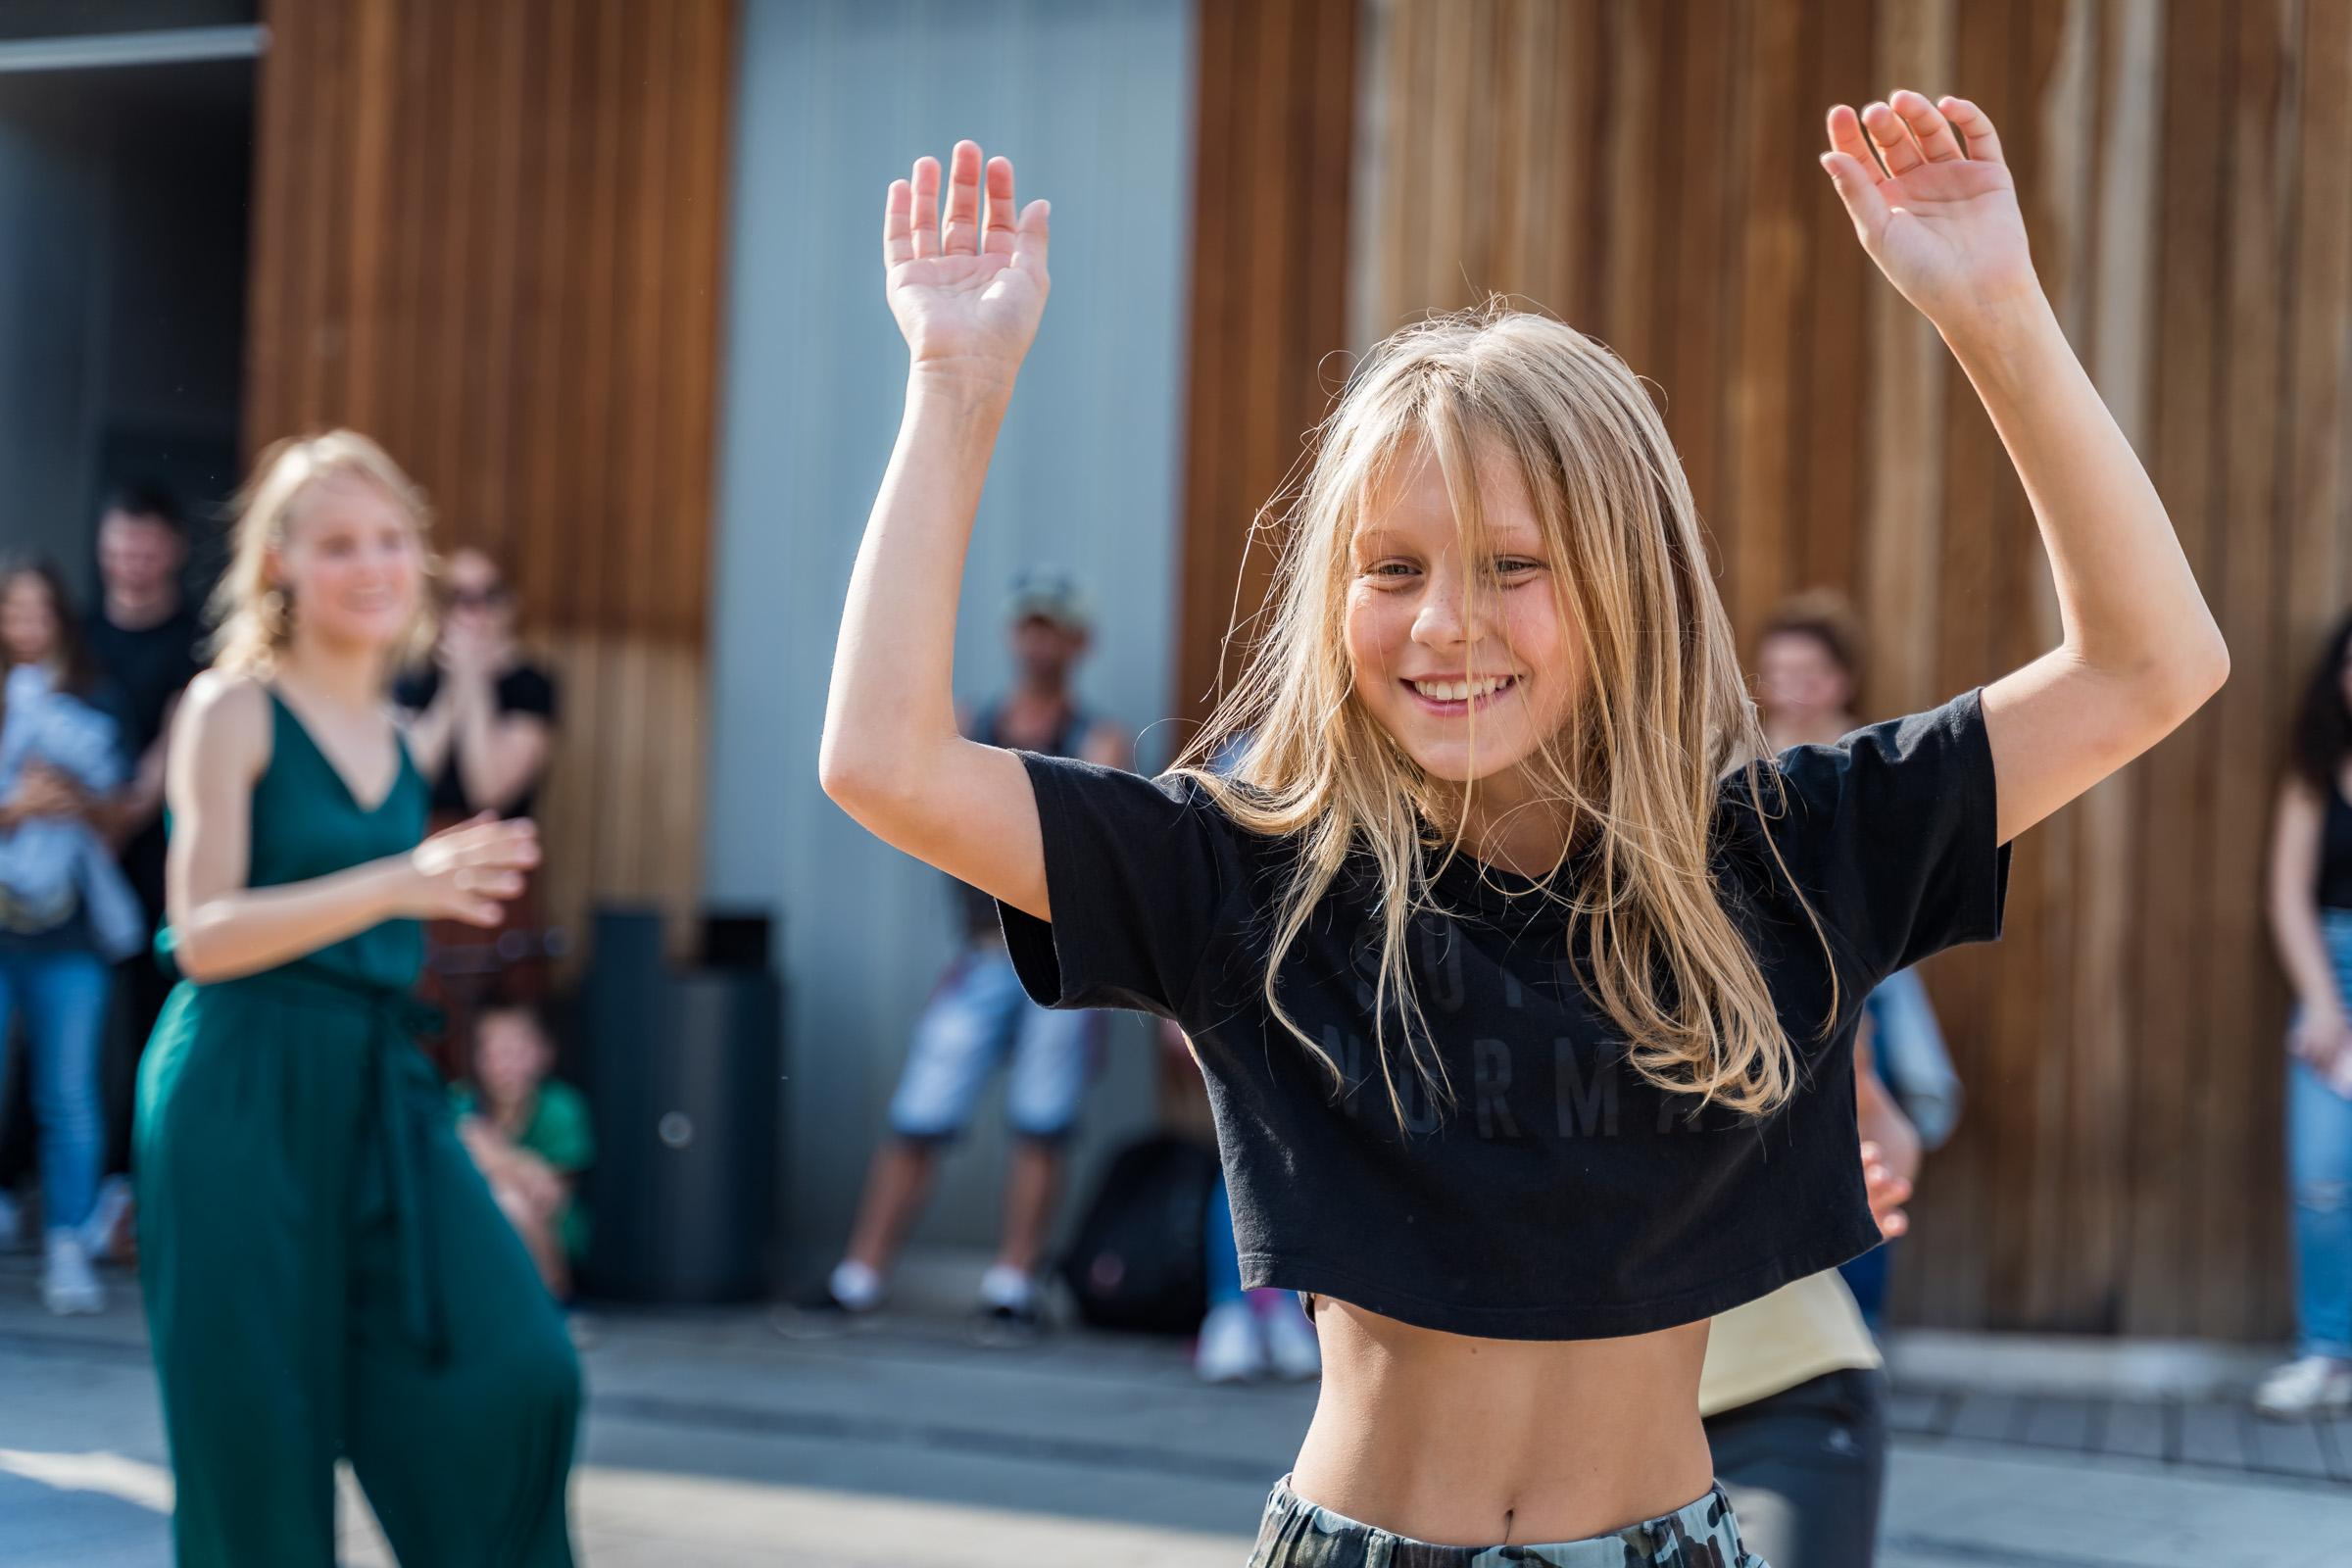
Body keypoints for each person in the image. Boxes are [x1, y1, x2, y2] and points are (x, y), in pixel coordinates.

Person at [822, 91, 2225, 1564]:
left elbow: (2151, 666)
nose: (1445, 624)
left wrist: (1997, 310)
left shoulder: (1782, 854)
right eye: (1392, 567)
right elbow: (886, 762)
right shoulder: (1254, 872)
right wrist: (956, 384)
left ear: (1629, 585)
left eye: (1512, 566)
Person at [133, 432, 578, 1564]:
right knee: (258, 1447)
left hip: (376, 1088)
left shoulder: (394, 730)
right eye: (338, 544)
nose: (373, 565)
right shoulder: (228, 709)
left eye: (391, 540)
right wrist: (400, 880)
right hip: (236, 1091)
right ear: (278, 560)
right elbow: (203, 935)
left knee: (517, 1367)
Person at [796, 570, 1127, 1343]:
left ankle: (1013, 1284)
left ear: (1078, 643)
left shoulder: (1096, 738)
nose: (1038, 640)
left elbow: (1095, 849)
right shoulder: (971, 721)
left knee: (1042, 1124)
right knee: (919, 1113)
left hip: (1061, 955)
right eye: (1029, 626)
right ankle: (860, 1276)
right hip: (982, 953)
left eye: (1053, 628)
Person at [1753, 590, 1965, 1329]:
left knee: (1872, 1142)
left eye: (1808, 672)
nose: (1792, 688)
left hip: (1866, 974)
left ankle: (1858, 1334)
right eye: (1777, 672)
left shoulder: (1873, 758)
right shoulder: (1736, 755)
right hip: (1765, 975)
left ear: (1841, 680)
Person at [1698, 1030, 1919, 1568]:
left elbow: (1872, 1112)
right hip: (1551, 1431)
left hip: (1777, 1395)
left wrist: (1865, 1179)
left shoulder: (1774, 948)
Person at [0, 561, 140, 1313]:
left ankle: (67, 1244)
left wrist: (76, 797)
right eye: (12, 609)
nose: (25, 624)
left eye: (38, 609)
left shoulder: (95, 700)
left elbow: (119, 818)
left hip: (70, 930)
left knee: (68, 1094)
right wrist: (16, 808)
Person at [81, 480, 208, 1258]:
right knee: (68, 1025)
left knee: (150, 1017)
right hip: (66, 869)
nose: (133, 558)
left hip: (156, 859)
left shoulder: (197, 641)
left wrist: (117, 814)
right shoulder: (80, 636)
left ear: (174, 550)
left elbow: (174, 748)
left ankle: (138, 1185)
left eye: (147, 544)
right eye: (121, 543)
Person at [395, 547, 560, 1071]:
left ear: (509, 605)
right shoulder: (412, 680)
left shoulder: (531, 684)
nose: (472, 613)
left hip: (496, 869)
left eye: (486, 597)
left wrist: (474, 683)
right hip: (422, 867)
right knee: (420, 1016)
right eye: (457, 598)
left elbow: (492, 787)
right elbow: (408, 778)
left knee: (495, 1029)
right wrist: (452, 689)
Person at [2255, 612, 2352, 1418]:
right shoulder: (2317, 772)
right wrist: (2323, 1002)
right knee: (2322, 1180)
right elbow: (2288, 894)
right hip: (2332, 975)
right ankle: (2327, 1354)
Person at [450, 997, 593, 1299]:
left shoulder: (560, 1107)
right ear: (478, 1058)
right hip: (476, 1233)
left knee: (509, 1200)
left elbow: (550, 1196)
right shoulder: (459, 1100)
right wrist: (522, 1165)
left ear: (544, 1052)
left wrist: (490, 1154)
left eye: (518, 1051)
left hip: (549, 1237)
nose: (507, 1065)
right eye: (496, 1052)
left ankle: (550, 1302)